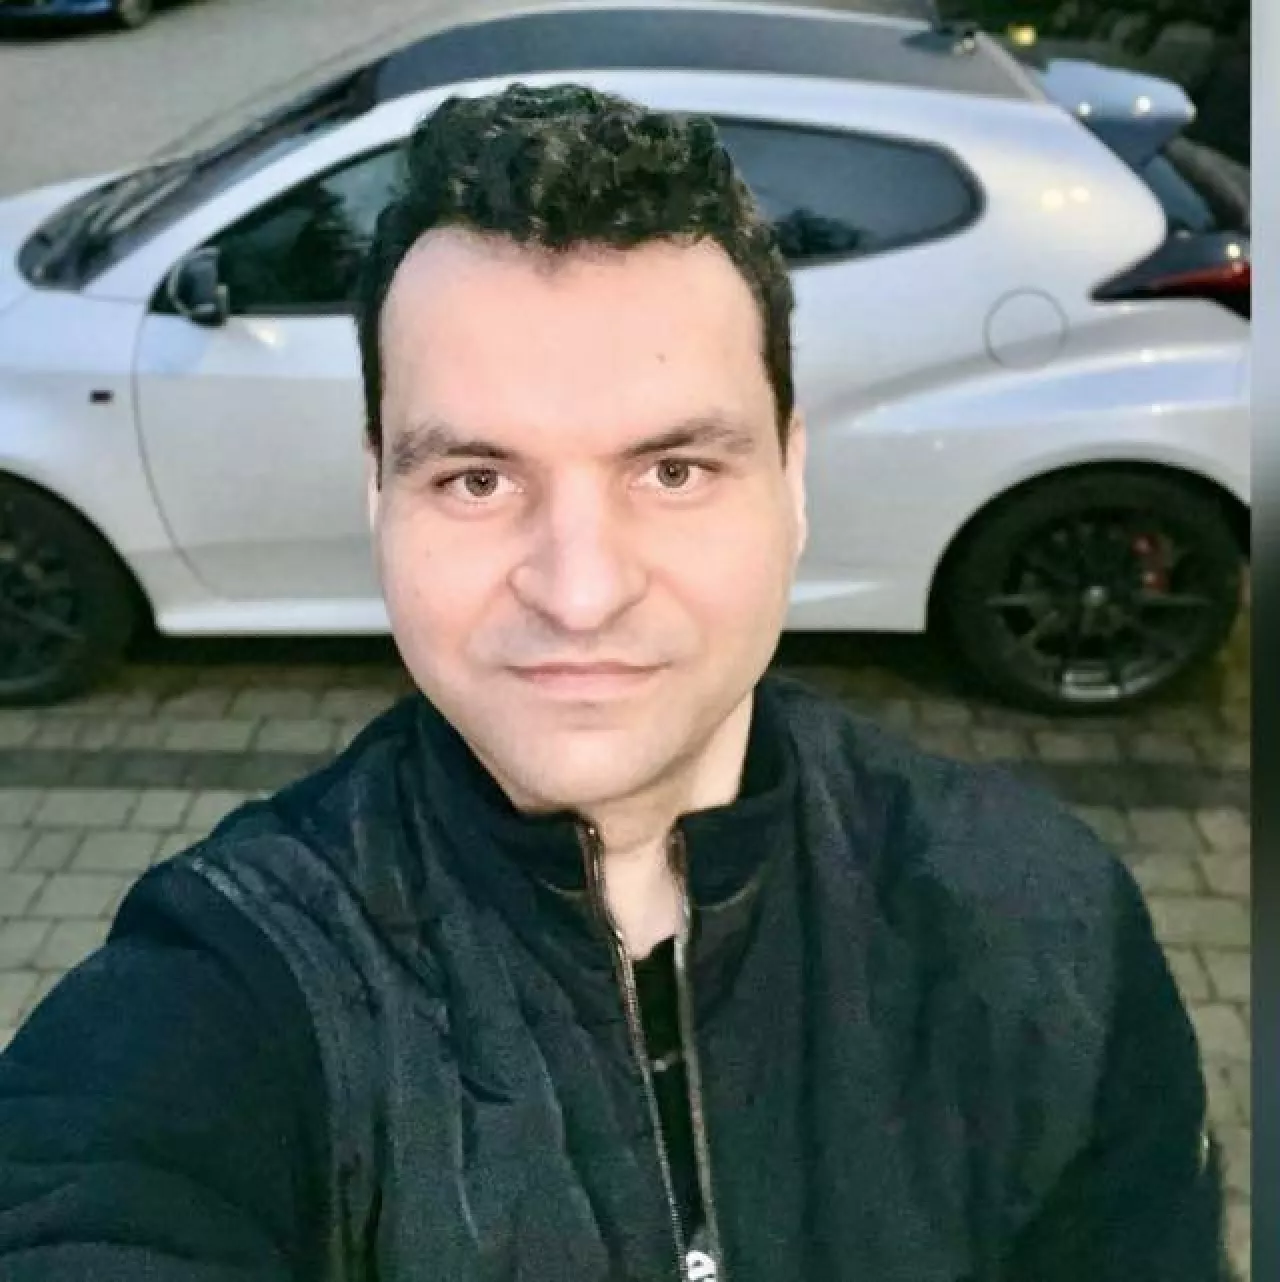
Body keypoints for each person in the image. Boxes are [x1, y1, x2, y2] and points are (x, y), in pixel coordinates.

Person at [0, 84, 1231, 1282]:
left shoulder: (1040, 925)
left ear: (792, 481)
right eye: (476, 480)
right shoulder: (228, 982)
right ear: (378, 494)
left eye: (673, 471)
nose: (579, 592)